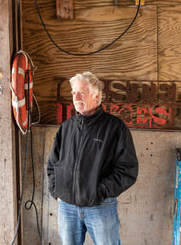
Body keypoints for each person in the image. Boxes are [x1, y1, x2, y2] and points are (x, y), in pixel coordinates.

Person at [47, 71, 138, 245]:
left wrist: (99, 193)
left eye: (81, 92)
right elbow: (52, 164)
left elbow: (128, 169)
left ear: (95, 95)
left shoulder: (115, 128)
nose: (76, 97)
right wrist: (56, 190)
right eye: (73, 93)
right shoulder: (66, 128)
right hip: (68, 208)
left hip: (100, 207)